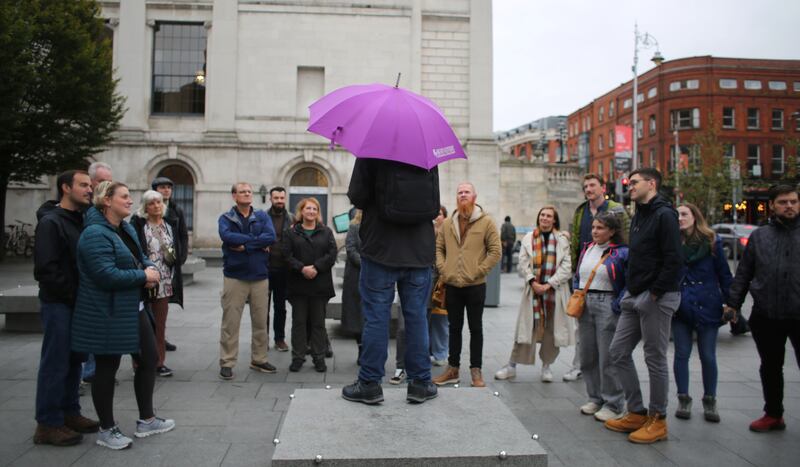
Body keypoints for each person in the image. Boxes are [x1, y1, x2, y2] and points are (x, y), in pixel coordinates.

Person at [71, 181, 175, 450]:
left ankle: (147, 420)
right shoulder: (94, 233)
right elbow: (105, 275)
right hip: (108, 310)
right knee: (107, 367)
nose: (130, 201)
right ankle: (107, 429)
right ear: (107, 201)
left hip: (133, 306)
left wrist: (149, 268)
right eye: (124, 197)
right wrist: (143, 276)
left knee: (149, 358)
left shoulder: (124, 228)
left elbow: (141, 256)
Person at [342, 158, 440, 405]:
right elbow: (434, 205)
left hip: (380, 249)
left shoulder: (371, 153)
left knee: (376, 317)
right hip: (418, 250)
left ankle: (370, 384)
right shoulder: (426, 157)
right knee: (417, 317)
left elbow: (357, 196)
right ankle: (419, 383)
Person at [604, 168, 682, 444]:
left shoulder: (665, 215)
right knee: (618, 352)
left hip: (655, 296)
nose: (629, 186)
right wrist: (630, 289)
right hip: (634, 294)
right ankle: (636, 412)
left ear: (652, 184)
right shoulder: (639, 214)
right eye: (629, 182)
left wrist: (656, 292)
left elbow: (674, 259)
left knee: (655, 357)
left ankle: (658, 419)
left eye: (634, 182)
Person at [725, 184, 800, 433]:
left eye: (793, 201)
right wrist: (733, 304)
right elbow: (744, 273)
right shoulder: (760, 236)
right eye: (783, 202)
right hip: (766, 313)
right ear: (772, 206)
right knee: (770, 365)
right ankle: (773, 414)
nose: (789, 206)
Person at [33, 170, 100, 446]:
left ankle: (70, 412)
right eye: (83, 185)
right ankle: (47, 423)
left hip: (77, 304)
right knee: (55, 362)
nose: (89, 190)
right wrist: (73, 295)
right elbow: (46, 270)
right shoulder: (51, 222)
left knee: (75, 361)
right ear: (65, 188)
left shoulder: (81, 219)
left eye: (90, 185)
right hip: (59, 304)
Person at [494, 206, 574, 383]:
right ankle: (511, 366)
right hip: (533, 293)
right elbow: (523, 264)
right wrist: (533, 282)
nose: (544, 218)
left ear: (554, 220)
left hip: (554, 294)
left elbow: (567, 267)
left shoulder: (561, 240)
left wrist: (548, 285)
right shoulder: (529, 238)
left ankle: (547, 367)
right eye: (542, 215)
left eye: (549, 216)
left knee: (551, 333)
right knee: (525, 330)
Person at [433, 182, 502, 388]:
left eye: (467, 192)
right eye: (460, 192)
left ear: (474, 196)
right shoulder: (447, 224)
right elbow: (439, 248)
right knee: (454, 328)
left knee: (476, 328)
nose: (463, 195)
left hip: (475, 285)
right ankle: (453, 369)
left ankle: (476, 371)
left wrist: (478, 271)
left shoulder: (486, 222)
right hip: (452, 284)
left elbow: (495, 251)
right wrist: (444, 269)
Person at [567, 174, 632, 382]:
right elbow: (575, 240)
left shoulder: (616, 209)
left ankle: (611, 397)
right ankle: (580, 368)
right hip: (585, 271)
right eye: (585, 186)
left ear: (602, 187)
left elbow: (627, 238)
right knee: (584, 336)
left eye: (592, 185)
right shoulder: (581, 211)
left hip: (607, 275)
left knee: (606, 344)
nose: (588, 189)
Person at [570, 212, 628, 422]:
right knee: (588, 355)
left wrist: (617, 303)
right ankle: (595, 397)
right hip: (585, 303)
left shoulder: (621, 253)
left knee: (607, 357)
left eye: (600, 228)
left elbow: (628, 281)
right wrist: (576, 291)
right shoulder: (587, 248)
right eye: (594, 227)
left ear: (612, 231)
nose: (595, 231)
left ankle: (614, 403)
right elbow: (578, 274)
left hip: (607, 304)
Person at [218, 182, 277, 380]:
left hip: (260, 276)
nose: (247, 194)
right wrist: (256, 241)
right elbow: (226, 236)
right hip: (235, 277)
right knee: (230, 323)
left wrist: (246, 245)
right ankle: (227, 362)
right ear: (234, 195)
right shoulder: (226, 218)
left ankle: (259, 359)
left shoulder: (262, 216)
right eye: (242, 192)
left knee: (260, 321)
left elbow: (270, 236)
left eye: (249, 192)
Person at [284, 198, 338, 373]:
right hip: (298, 285)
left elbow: (332, 254)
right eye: (308, 208)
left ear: (318, 212)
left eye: (314, 209)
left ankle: (319, 357)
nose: (311, 211)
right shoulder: (292, 233)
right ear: (301, 211)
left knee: (318, 323)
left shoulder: (326, 232)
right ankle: (298, 357)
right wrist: (302, 268)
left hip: (319, 285)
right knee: (298, 322)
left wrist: (316, 267)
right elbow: (286, 255)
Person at [132, 190, 181, 378]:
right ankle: (140, 362)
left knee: (160, 325)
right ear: (145, 207)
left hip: (165, 281)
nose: (156, 206)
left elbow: (175, 249)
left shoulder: (168, 226)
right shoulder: (139, 226)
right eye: (151, 203)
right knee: (144, 325)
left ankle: (159, 362)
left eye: (159, 202)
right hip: (145, 281)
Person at [79, 161, 113, 388]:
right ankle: (83, 373)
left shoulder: (108, 212)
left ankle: (94, 371)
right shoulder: (86, 213)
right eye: (102, 181)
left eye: (109, 181)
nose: (105, 186)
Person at [151, 176, 189, 352]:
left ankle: (160, 338)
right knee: (151, 306)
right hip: (151, 265)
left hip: (170, 262)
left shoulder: (176, 210)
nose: (166, 190)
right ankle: (153, 340)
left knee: (163, 305)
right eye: (162, 187)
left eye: (169, 187)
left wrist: (180, 256)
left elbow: (183, 235)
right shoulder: (146, 210)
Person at [266, 186, 291, 352]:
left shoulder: (292, 219)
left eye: (282, 198)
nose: (280, 201)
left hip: (284, 270)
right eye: (276, 198)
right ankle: (262, 339)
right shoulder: (261, 218)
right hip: (265, 269)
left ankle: (279, 339)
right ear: (271, 199)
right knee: (262, 308)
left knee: (280, 307)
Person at [342, 209, 364, 363]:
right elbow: (350, 249)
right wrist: (368, 265)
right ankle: (361, 347)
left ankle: (369, 348)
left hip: (375, 278)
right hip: (356, 276)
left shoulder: (379, 227)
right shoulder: (354, 227)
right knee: (356, 314)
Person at [429, 205, 449, 366]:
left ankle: (441, 352)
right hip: (426, 282)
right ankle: (428, 350)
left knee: (441, 320)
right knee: (426, 319)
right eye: (435, 214)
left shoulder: (449, 235)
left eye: (440, 214)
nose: (437, 216)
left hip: (442, 283)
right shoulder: (426, 233)